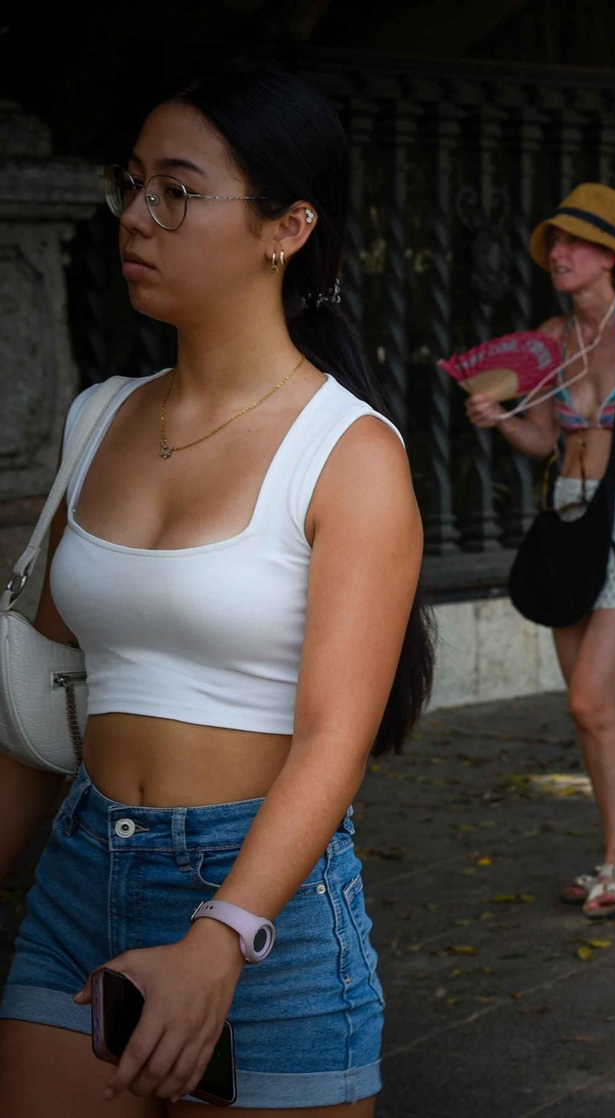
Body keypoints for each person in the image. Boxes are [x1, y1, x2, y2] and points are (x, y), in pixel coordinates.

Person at [0, 70, 432, 1114]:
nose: (138, 217)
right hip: (78, 876)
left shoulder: (350, 453)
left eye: (178, 192)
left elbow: (335, 737)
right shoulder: (100, 417)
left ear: (287, 227)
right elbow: (35, 700)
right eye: (133, 183)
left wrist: (223, 934)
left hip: (261, 908)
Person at [465, 183, 615, 920]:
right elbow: (544, 438)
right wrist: (501, 418)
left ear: (610, 255)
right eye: (553, 247)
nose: (558, 257)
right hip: (567, 519)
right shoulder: (549, 339)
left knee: (590, 697)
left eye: (572, 244)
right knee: (593, 711)